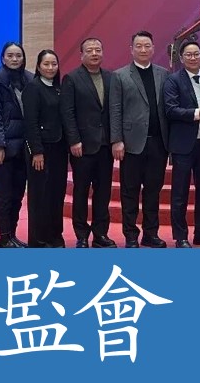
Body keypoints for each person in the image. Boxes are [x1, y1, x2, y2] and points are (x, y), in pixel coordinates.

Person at [109, 31, 171, 248]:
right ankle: (131, 235)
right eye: (139, 46)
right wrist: (116, 140)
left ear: (153, 48)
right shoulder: (119, 76)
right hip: (131, 144)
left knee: (153, 191)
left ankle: (151, 234)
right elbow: (115, 109)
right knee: (130, 192)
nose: (143, 50)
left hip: (158, 143)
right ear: (131, 49)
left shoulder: (164, 74)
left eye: (147, 46)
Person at [60, 37, 119, 248]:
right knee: (81, 192)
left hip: (105, 146)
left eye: (98, 50)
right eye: (90, 50)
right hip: (82, 147)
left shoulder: (111, 77)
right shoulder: (72, 78)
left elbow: (115, 111)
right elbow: (67, 113)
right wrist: (74, 140)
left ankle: (100, 234)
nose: (94, 54)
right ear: (81, 55)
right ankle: (82, 235)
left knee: (103, 193)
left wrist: (116, 139)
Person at [163, 41, 200, 248]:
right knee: (180, 193)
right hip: (183, 145)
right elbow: (171, 110)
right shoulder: (172, 80)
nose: (193, 57)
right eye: (188, 54)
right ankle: (181, 237)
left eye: (196, 54)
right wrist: (199, 113)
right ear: (181, 58)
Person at [0, 42, 33, 248]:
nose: (14, 59)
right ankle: (4, 237)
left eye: (18, 55)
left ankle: (12, 234)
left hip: (24, 149)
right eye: (10, 55)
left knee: (18, 195)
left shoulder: (30, 79)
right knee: (3, 196)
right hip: (4, 149)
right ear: (3, 58)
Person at [23, 49, 67, 247]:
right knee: (40, 195)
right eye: (46, 64)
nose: (50, 68)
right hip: (41, 151)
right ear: (38, 67)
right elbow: (30, 123)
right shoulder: (33, 88)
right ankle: (39, 240)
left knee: (56, 194)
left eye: (54, 64)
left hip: (58, 149)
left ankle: (55, 236)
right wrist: (37, 151)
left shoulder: (58, 88)